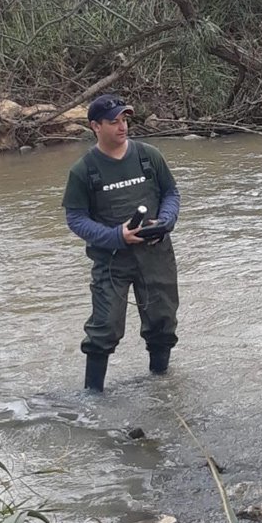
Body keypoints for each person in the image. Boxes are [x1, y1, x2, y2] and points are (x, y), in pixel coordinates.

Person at [62, 94, 181, 392]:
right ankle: (93, 398)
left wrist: (165, 221)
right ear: (95, 126)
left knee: (163, 322)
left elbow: (171, 194)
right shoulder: (83, 170)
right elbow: (76, 220)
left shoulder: (148, 156)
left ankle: (160, 386)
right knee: (104, 328)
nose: (122, 126)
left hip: (156, 255)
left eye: (124, 120)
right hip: (111, 261)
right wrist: (117, 236)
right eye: (113, 122)